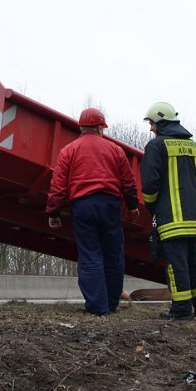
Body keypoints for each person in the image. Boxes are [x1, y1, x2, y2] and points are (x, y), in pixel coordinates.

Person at [46, 107, 140, 316]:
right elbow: (128, 182)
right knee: (113, 255)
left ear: (81, 127)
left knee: (90, 255)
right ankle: (111, 303)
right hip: (109, 205)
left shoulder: (68, 150)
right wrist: (132, 206)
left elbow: (58, 184)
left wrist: (54, 212)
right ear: (99, 127)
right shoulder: (114, 150)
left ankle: (98, 307)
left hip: (82, 205)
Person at [140, 102, 196, 320]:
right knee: (194, 262)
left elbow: (150, 185)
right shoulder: (194, 147)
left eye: (152, 123)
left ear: (160, 122)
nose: (151, 128)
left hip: (170, 218)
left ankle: (180, 310)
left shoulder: (156, 146)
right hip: (192, 219)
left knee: (176, 264)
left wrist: (152, 208)